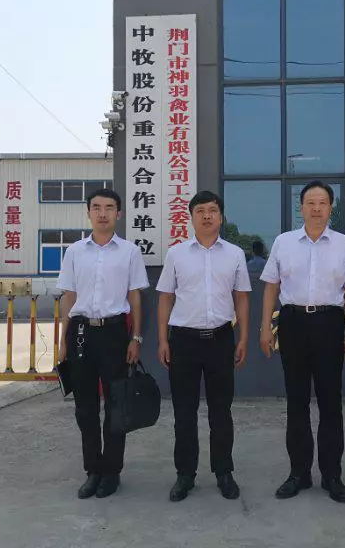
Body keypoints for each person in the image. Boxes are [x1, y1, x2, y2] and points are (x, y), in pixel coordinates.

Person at [259, 180, 345, 503]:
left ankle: (332, 475)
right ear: (300, 207)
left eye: (322, 203)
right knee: (296, 400)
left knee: (331, 402)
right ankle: (298, 473)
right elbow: (271, 286)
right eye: (310, 203)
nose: (316, 209)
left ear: (331, 208)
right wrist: (265, 327)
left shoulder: (344, 244)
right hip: (293, 323)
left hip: (330, 323)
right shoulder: (284, 242)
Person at [156, 191, 251, 502]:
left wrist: (243, 338)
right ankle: (185, 474)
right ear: (191, 217)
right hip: (183, 341)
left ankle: (224, 472)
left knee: (221, 411)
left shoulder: (234, 254)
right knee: (184, 412)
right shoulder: (177, 254)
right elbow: (166, 297)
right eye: (200, 211)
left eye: (212, 210)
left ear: (221, 217)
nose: (207, 216)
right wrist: (162, 339)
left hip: (221, 340)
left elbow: (241, 297)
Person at [56, 188, 149, 499]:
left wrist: (136, 337)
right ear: (89, 213)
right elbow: (69, 296)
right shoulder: (74, 252)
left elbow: (135, 297)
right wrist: (63, 339)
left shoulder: (129, 252)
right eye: (96, 207)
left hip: (114, 333)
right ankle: (93, 470)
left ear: (118, 214)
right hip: (81, 333)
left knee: (116, 405)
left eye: (109, 207)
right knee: (85, 408)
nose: (103, 213)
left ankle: (112, 471)